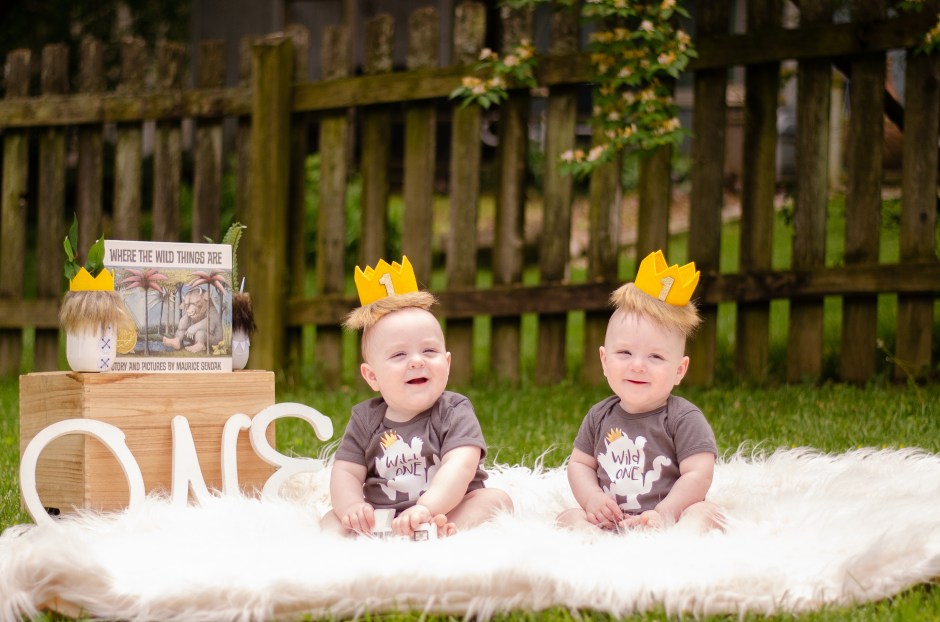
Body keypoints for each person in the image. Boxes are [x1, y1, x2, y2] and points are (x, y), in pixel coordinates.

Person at [321, 278, 512, 538]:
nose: (416, 361)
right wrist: (352, 506)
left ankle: (435, 530)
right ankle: (377, 542)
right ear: (372, 376)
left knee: (496, 501)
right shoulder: (365, 419)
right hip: (383, 517)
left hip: (443, 509)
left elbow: (460, 466)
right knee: (331, 520)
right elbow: (346, 472)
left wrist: (426, 509)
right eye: (399, 355)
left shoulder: (453, 410)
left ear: (447, 363)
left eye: (429, 350)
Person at [557, 250, 723, 533]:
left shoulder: (682, 418)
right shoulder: (599, 416)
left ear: (679, 370)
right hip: (612, 520)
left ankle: (680, 540)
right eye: (624, 353)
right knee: (567, 516)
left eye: (655, 357)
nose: (637, 366)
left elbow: (698, 474)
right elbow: (580, 464)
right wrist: (593, 498)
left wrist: (664, 513)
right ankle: (590, 541)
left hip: (667, 519)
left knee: (707, 512)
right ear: (604, 360)